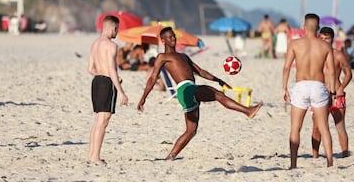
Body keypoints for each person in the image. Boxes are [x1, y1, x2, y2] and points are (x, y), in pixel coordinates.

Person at [137, 27, 263, 160]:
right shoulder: (163, 57)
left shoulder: (183, 56)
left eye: (174, 36)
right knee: (217, 95)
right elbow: (152, 78)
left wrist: (218, 80)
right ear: (163, 41)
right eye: (170, 37)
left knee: (191, 131)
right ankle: (247, 111)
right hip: (185, 89)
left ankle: (170, 156)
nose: (173, 38)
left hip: (191, 89)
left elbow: (201, 71)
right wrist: (143, 98)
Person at [282, 13, 335, 169]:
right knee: (324, 128)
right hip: (319, 86)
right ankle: (330, 162)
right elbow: (331, 71)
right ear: (318, 28)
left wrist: (284, 88)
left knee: (295, 128)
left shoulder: (295, 44)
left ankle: (293, 164)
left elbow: (286, 67)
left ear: (304, 27)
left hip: (301, 85)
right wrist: (331, 92)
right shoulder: (325, 46)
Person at [88, 15, 129, 165]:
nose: (117, 32)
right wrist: (122, 92)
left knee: (98, 120)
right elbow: (112, 70)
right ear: (113, 28)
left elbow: (90, 69)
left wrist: (104, 75)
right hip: (106, 82)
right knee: (103, 121)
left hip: (96, 81)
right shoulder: (111, 46)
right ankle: (95, 157)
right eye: (117, 29)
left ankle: (92, 155)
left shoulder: (95, 44)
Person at [311, 27, 352, 158]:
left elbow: (349, 74)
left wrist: (341, 88)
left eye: (327, 38)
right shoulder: (315, 54)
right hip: (320, 94)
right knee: (317, 127)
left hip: (336, 95)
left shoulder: (338, 55)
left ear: (332, 39)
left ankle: (345, 154)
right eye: (321, 38)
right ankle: (315, 156)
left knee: (340, 126)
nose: (324, 41)